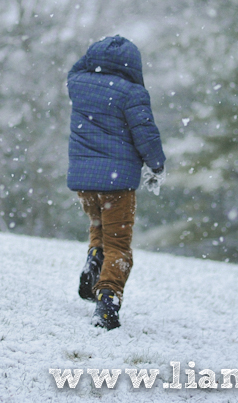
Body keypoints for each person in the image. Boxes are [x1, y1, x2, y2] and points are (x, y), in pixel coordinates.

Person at [65, 35, 167, 330]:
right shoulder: (132, 93)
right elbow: (146, 135)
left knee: (99, 228)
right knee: (119, 245)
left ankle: (95, 258)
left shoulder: (78, 84)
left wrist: (93, 59)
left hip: (85, 182)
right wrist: (157, 164)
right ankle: (107, 302)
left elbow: (76, 67)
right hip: (117, 184)